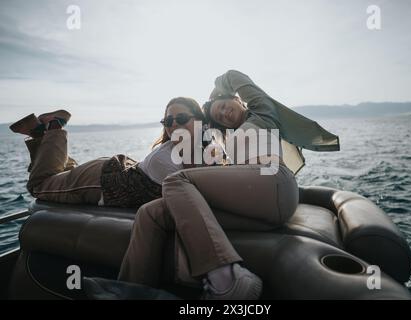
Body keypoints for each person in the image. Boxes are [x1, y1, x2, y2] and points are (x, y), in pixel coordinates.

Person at [119, 71, 339, 300]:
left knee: (177, 180)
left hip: (273, 182)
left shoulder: (262, 111)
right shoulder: (225, 138)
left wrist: (214, 96)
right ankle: (129, 293)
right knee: (151, 213)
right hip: (256, 207)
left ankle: (226, 279)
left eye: (224, 106)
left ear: (237, 99)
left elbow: (233, 76)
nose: (224, 113)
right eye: (219, 115)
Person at [9, 97, 205, 208]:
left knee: (58, 176)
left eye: (181, 118)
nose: (174, 124)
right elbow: (195, 185)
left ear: (199, 119)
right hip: (102, 182)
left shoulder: (193, 149)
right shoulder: (189, 151)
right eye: (169, 121)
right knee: (39, 185)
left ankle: (39, 132)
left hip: (110, 173)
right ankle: (54, 126)